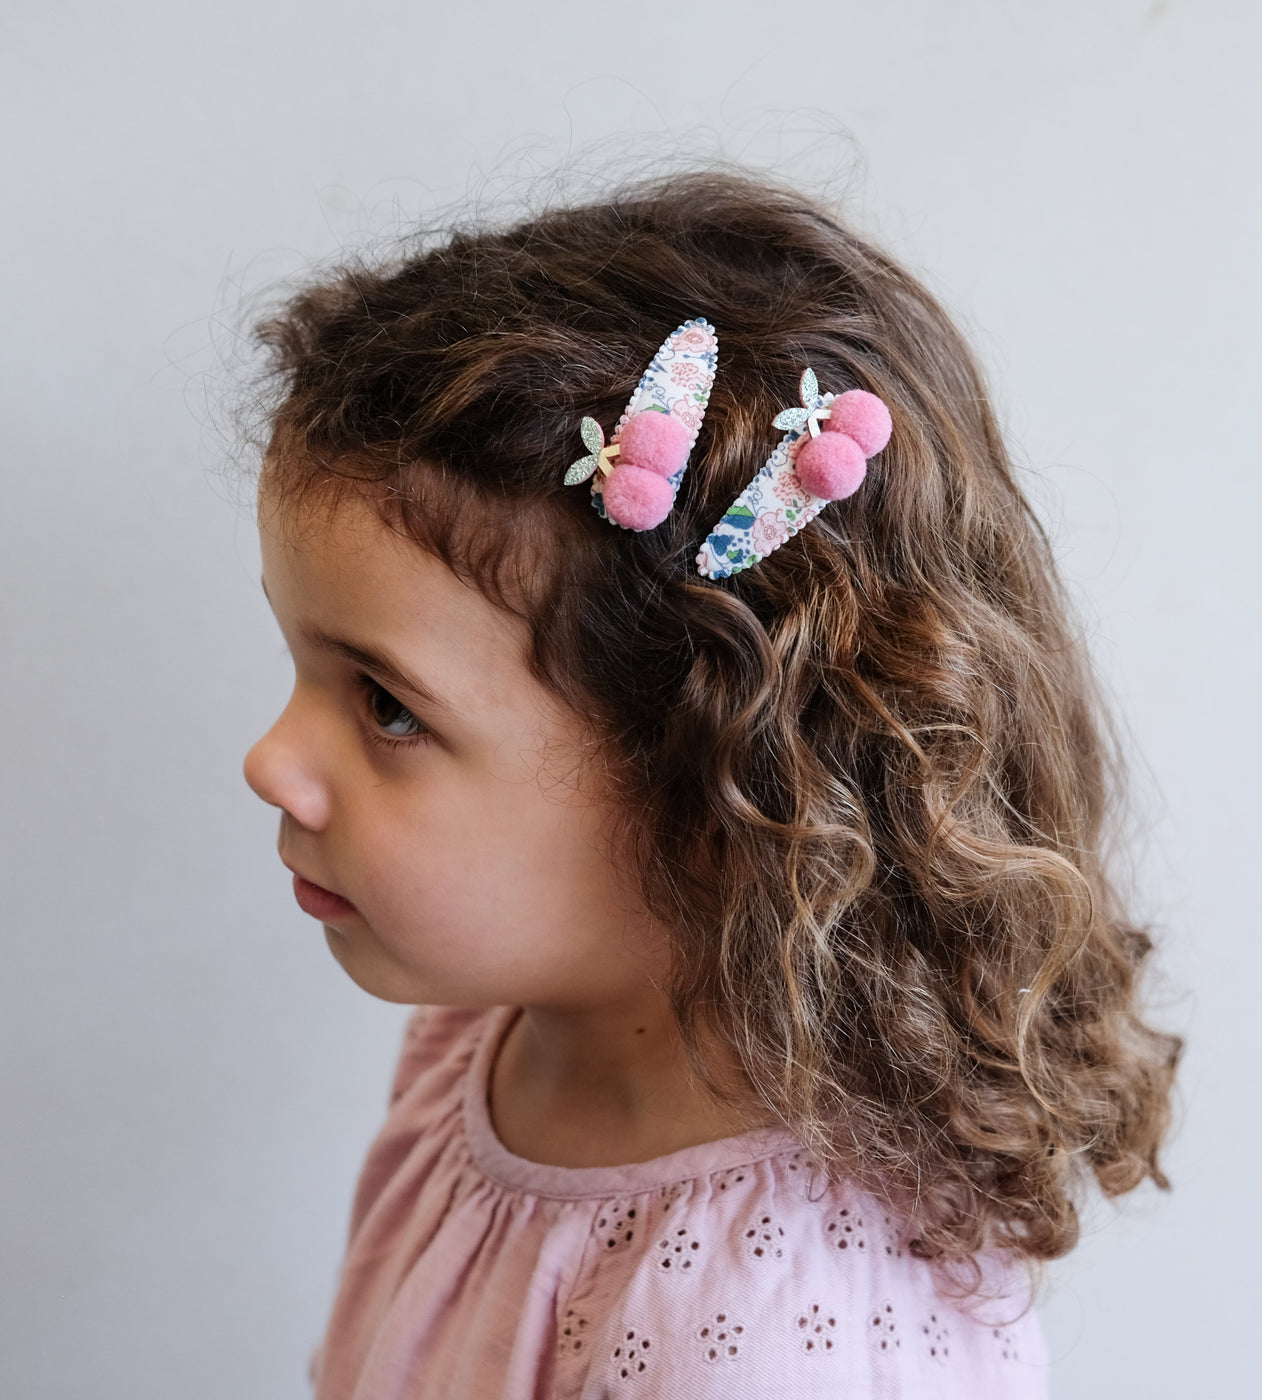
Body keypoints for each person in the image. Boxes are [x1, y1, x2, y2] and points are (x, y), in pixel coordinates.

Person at [242, 169, 1180, 1399]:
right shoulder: (483, 1032)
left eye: (385, 704)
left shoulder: (772, 1339)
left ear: (716, 784)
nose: (270, 759)